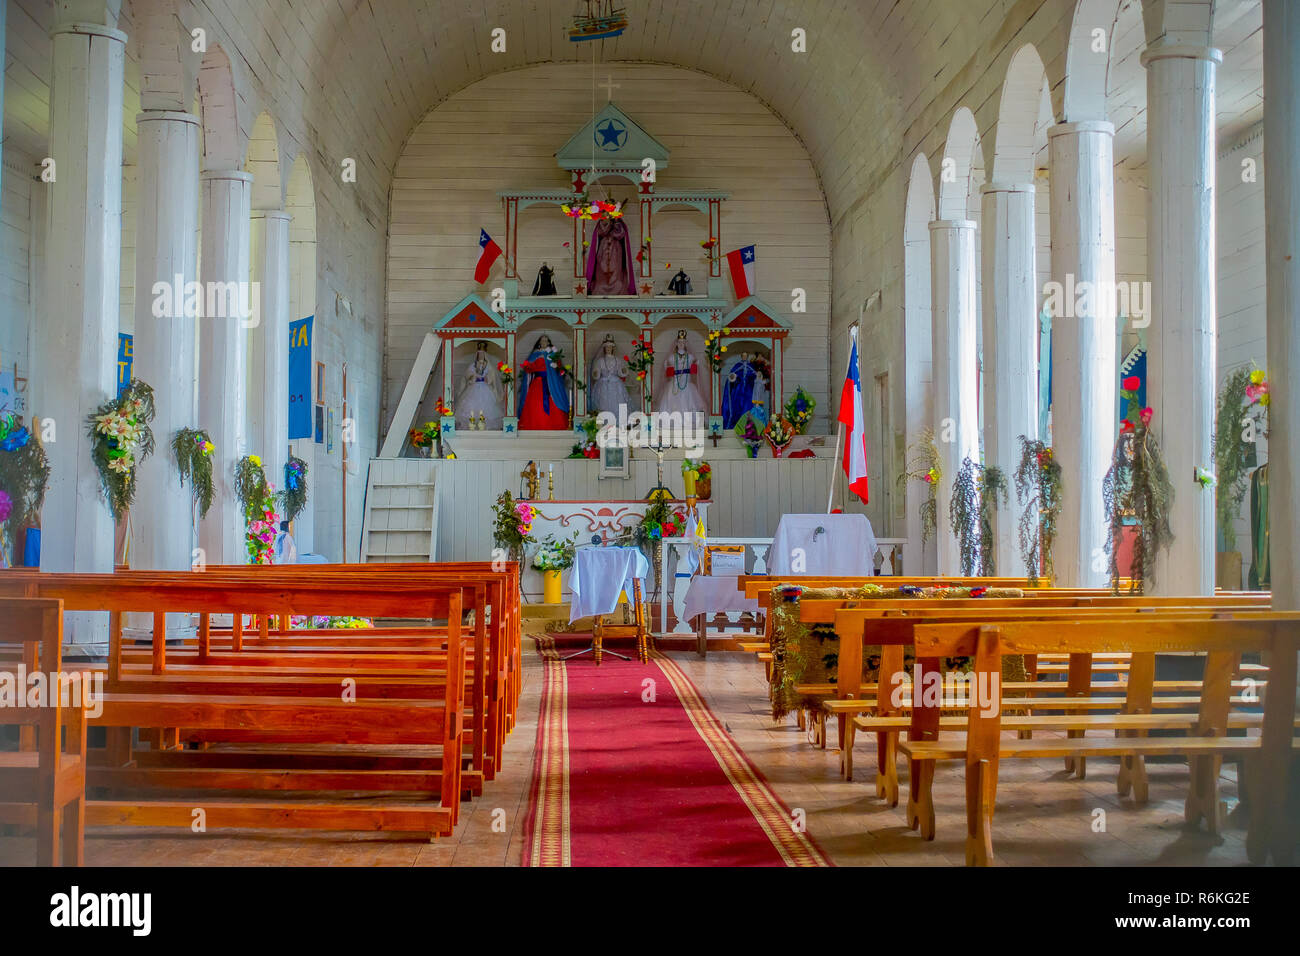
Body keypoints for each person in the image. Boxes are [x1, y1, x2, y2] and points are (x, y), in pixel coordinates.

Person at [517, 334, 570, 430]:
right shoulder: (535, 354)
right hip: (537, 383)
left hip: (551, 384)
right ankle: (537, 424)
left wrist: (556, 366)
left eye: (546, 340)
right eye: (542, 340)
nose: (544, 342)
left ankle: (553, 425)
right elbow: (528, 368)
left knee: (554, 401)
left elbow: (560, 369)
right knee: (536, 403)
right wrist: (529, 366)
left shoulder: (553, 354)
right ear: (539, 343)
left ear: (549, 343)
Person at [656, 330, 707, 417]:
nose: (681, 344)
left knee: (688, 400)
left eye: (683, 342)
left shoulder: (691, 357)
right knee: (671, 400)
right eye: (679, 342)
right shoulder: (671, 357)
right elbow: (667, 370)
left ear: (686, 343)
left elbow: (695, 369)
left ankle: (689, 420)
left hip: (687, 384)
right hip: (674, 385)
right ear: (676, 343)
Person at [454, 341, 504, 430]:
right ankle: (472, 425)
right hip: (474, 387)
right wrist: (472, 376)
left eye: (482, 354)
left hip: (485, 387)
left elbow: (492, 375)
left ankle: (485, 426)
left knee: (487, 408)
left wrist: (488, 378)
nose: (480, 356)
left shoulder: (488, 365)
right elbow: (467, 374)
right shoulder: (473, 365)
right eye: (479, 354)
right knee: (471, 407)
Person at [584, 214, 637, 295]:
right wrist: (607, 222)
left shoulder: (619, 222)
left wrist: (616, 222)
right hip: (603, 248)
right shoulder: (601, 222)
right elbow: (602, 232)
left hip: (615, 248)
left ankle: (617, 286)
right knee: (601, 268)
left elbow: (620, 234)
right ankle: (600, 285)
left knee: (615, 268)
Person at [587, 333, 630, 415]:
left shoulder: (617, 360)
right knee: (603, 401)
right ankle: (604, 419)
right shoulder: (600, 360)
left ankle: (617, 418)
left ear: (613, 348)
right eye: (607, 347)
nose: (608, 348)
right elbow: (596, 371)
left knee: (617, 401)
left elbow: (620, 370)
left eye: (610, 347)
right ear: (604, 348)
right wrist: (596, 373)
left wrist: (623, 371)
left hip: (616, 384)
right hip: (603, 384)